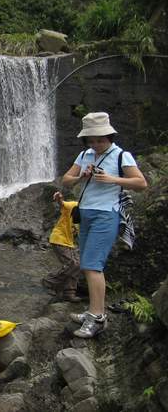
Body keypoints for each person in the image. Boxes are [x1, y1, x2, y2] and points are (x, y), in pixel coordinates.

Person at [62, 112, 147, 338]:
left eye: (100, 139)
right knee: (87, 264)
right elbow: (66, 180)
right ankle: (92, 311)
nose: (96, 144)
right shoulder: (85, 155)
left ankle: (97, 317)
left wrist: (112, 179)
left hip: (106, 215)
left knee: (92, 265)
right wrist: (82, 176)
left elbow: (141, 183)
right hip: (86, 214)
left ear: (109, 136)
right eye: (91, 140)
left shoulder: (122, 156)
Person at [41, 191, 82, 302]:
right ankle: (50, 280)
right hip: (59, 238)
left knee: (76, 266)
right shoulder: (74, 205)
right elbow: (62, 203)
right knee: (74, 264)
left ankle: (69, 293)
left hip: (69, 242)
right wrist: (59, 198)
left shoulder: (89, 215)